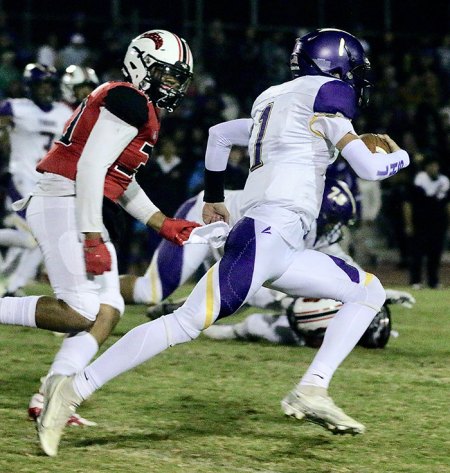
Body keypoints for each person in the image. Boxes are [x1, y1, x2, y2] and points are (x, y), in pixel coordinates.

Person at [37, 28, 411, 456]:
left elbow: (220, 135)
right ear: (336, 68)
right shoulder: (329, 92)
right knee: (184, 323)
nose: (355, 83)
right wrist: (399, 155)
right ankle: (73, 388)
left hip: (281, 241)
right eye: (353, 72)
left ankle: (312, 389)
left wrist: (214, 196)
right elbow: (368, 169)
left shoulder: (275, 97)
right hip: (269, 232)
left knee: (368, 290)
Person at [0, 30, 199, 420]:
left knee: (109, 308)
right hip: (64, 199)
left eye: (179, 78)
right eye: (168, 75)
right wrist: (91, 235)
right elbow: (91, 165)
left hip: (74, 199)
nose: (174, 85)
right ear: (143, 65)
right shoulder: (130, 100)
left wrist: (162, 223)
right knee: (80, 311)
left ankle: (51, 396)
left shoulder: (132, 101)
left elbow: (119, 177)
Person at [0, 64, 73, 296]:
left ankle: (13, 287)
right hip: (21, 180)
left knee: (41, 241)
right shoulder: (14, 107)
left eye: (49, 84)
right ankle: (13, 286)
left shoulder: (64, 112)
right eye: (41, 84)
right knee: (36, 239)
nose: (45, 89)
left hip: (48, 185)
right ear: (30, 86)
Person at [405, 155, 449, 288]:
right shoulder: (418, 181)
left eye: (435, 165)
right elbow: (408, 204)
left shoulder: (444, 181)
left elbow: (447, 204)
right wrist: (409, 224)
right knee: (417, 253)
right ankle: (416, 281)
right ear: (426, 167)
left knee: (435, 253)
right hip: (420, 223)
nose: (434, 168)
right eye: (431, 165)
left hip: (438, 223)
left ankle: (433, 281)